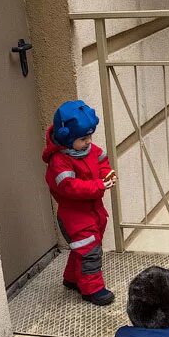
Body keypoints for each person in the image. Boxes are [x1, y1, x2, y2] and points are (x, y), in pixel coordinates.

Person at [43, 100, 117, 305]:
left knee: (83, 249)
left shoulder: (89, 150)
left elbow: (102, 161)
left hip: (94, 212)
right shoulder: (59, 161)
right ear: (67, 138)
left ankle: (72, 278)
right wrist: (99, 185)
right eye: (83, 138)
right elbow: (70, 187)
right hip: (75, 217)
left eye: (90, 137)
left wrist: (107, 175)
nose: (88, 142)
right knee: (89, 253)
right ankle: (92, 289)